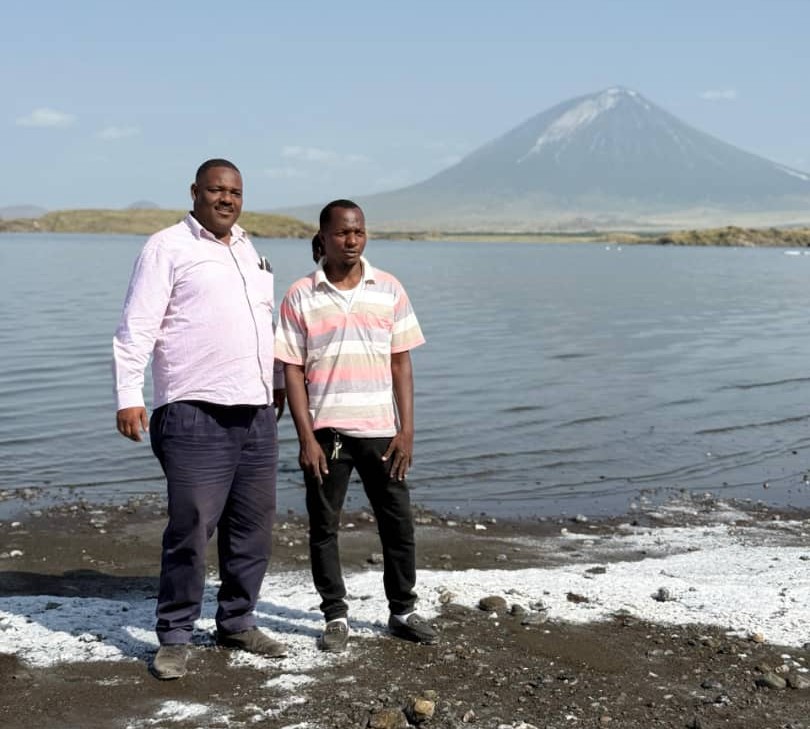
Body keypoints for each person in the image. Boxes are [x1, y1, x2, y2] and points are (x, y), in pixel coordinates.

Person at [113, 158, 287, 680]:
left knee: (251, 529)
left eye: (235, 191)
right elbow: (135, 328)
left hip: (255, 414)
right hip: (192, 412)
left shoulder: (249, 250)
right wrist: (128, 395)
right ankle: (175, 635)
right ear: (195, 192)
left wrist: (276, 385)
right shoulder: (166, 247)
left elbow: (262, 325)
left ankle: (237, 620)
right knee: (190, 528)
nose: (227, 199)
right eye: (216, 190)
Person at [275, 199, 438, 653]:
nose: (351, 240)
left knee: (398, 524)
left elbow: (401, 363)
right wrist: (305, 437)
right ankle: (335, 615)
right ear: (323, 237)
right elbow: (290, 369)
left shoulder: (388, 288)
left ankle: (402, 610)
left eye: (359, 232)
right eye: (343, 233)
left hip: (382, 432)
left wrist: (406, 431)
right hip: (326, 434)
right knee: (324, 526)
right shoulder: (300, 295)